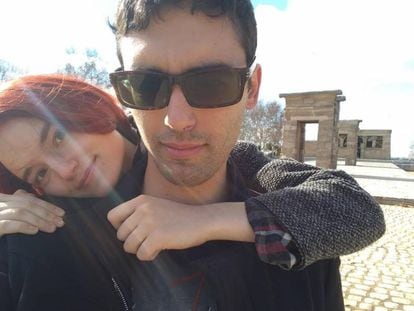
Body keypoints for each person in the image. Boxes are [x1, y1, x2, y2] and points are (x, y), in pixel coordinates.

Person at [0, 70, 383, 310]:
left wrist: (204, 219)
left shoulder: (230, 163)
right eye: (38, 173)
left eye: (59, 137)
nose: (65, 169)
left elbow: (356, 209)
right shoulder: (50, 238)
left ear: (85, 107)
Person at [101, 0, 384, 309]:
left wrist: (203, 220)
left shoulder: (301, 238)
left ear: (251, 89)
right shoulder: (74, 230)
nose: (177, 119)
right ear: (122, 92)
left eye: (212, 83)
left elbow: (358, 208)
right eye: (145, 85)